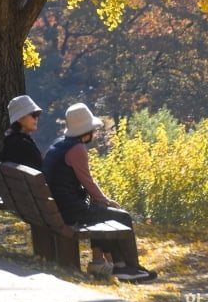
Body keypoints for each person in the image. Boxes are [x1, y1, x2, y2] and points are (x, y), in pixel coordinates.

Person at [42, 102, 157, 282]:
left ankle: (116, 265)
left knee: (102, 211)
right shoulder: (77, 149)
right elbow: (87, 181)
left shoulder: (58, 145)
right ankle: (129, 268)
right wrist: (105, 199)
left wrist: (101, 201)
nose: (95, 134)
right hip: (70, 211)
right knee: (122, 216)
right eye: (93, 130)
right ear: (85, 132)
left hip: (57, 207)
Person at [0, 95, 43, 169]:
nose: (36, 118)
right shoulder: (25, 146)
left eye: (37, 114)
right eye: (33, 115)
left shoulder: (9, 142)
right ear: (19, 118)